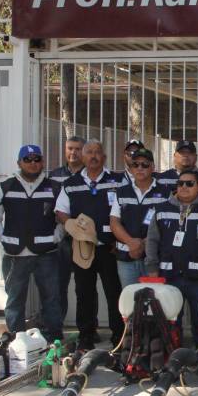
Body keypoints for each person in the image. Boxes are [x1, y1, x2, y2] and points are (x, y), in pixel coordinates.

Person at [54, 139, 125, 350]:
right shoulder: (71, 184)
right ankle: (86, 336)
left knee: (114, 292)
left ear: (104, 157)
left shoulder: (118, 181)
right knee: (84, 292)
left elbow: (127, 208)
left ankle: (118, 337)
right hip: (82, 247)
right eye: (89, 153)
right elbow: (60, 211)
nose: (93, 156)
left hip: (110, 247)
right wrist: (71, 225)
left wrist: (119, 239)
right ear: (83, 157)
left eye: (97, 153)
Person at [0, 145, 64, 341]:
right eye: (27, 159)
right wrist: (2, 238)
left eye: (37, 159)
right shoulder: (6, 187)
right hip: (15, 255)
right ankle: (16, 340)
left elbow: (64, 218)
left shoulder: (55, 188)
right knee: (15, 300)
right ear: (19, 162)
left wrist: (56, 237)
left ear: (42, 162)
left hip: (46, 253)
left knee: (51, 299)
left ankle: (53, 339)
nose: (33, 163)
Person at [145, 170, 198, 347]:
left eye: (190, 183)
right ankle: (172, 356)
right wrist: (152, 269)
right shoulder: (161, 209)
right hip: (169, 277)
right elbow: (152, 241)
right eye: (180, 184)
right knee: (170, 321)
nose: (184, 187)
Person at [110, 147, 167, 288]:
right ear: (130, 168)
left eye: (145, 164)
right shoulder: (121, 192)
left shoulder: (165, 192)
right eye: (135, 164)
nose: (139, 168)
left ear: (152, 167)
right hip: (126, 258)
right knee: (130, 303)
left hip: (155, 258)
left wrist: (144, 244)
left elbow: (167, 224)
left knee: (155, 303)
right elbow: (114, 222)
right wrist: (131, 242)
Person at [49, 135, 85, 317]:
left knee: (84, 286)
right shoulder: (54, 175)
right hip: (61, 237)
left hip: (84, 237)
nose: (73, 152)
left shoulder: (89, 174)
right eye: (70, 148)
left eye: (78, 149)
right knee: (58, 284)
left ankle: (87, 328)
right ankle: (57, 324)